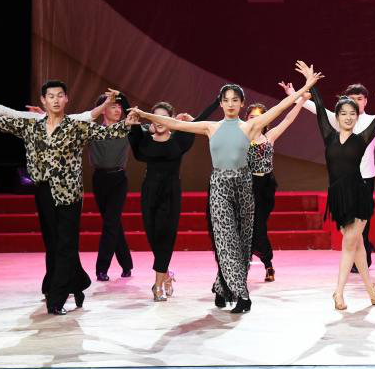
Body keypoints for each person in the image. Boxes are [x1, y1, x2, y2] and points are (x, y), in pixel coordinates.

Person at [131, 70, 319, 314]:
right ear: (220, 103)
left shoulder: (251, 125)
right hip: (219, 186)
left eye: (235, 100)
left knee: (242, 244)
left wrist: (305, 87)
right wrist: (144, 115)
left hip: (244, 186)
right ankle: (243, 296)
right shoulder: (210, 127)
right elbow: (175, 124)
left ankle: (222, 288)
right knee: (225, 241)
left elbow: (281, 107)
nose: (230, 104)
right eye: (226, 100)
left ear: (241, 103)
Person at [0, 81, 132, 315]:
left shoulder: (76, 126)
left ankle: (56, 299)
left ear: (66, 99)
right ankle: (77, 281)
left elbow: (109, 132)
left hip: (69, 193)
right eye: (51, 96)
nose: (56, 100)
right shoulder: (31, 126)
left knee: (67, 244)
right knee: (53, 243)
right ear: (43, 100)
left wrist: (128, 120)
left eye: (60, 96)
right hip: (44, 190)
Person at [310, 64, 375, 310]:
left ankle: (338, 293)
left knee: (349, 243)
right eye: (343, 113)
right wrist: (310, 84)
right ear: (337, 116)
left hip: (359, 195)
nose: (348, 117)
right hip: (338, 197)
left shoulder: (362, 138)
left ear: (357, 116)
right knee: (356, 246)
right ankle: (370, 289)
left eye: (352, 113)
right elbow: (319, 108)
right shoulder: (328, 135)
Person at [293, 81, 375, 272]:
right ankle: (359, 253)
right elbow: (318, 109)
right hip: (344, 179)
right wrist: (295, 95)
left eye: (360, 98)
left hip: (365, 177)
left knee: (363, 220)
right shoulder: (340, 119)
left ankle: (363, 259)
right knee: (348, 220)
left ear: (366, 101)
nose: (356, 102)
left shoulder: (372, 120)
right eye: (352, 98)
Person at [127, 101, 203, 302]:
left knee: (166, 237)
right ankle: (166, 274)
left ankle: (158, 285)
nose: (160, 121)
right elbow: (136, 142)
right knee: (153, 236)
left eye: (164, 117)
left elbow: (200, 125)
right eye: (156, 117)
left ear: (171, 120)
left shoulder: (179, 140)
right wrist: (133, 122)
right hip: (150, 191)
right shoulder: (145, 140)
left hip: (171, 193)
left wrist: (192, 121)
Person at [246, 91, 309, 282]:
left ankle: (265, 262)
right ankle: (262, 263)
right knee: (249, 227)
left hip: (266, 187)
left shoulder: (270, 136)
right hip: (247, 187)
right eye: (251, 117)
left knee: (259, 227)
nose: (255, 120)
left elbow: (288, 119)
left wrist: (302, 101)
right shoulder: (240, 138)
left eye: (258, 117)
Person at [88, 92, 134, 282]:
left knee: (110, 223)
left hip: (118, 180)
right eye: (113, 106)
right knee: (112, 223)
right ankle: (127, 263)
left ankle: (102, 268)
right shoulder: (92, 130)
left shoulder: (127, 128)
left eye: (119, 107)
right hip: (99, 180)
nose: (118, 110)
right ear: (102, 110)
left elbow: (151, 129)